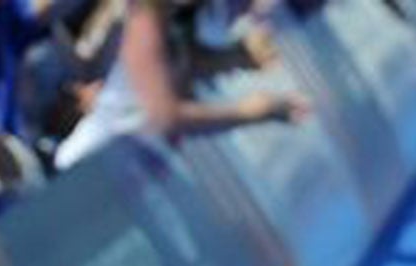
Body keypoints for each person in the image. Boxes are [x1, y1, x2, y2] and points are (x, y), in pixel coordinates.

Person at [52, 0, 304, 171]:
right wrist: (252, 113)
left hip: (133, 174)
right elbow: (164, 115)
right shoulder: (142, 13)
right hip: (88, 171)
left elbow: (182, 65)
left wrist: (238, 56)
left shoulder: (173, 21)